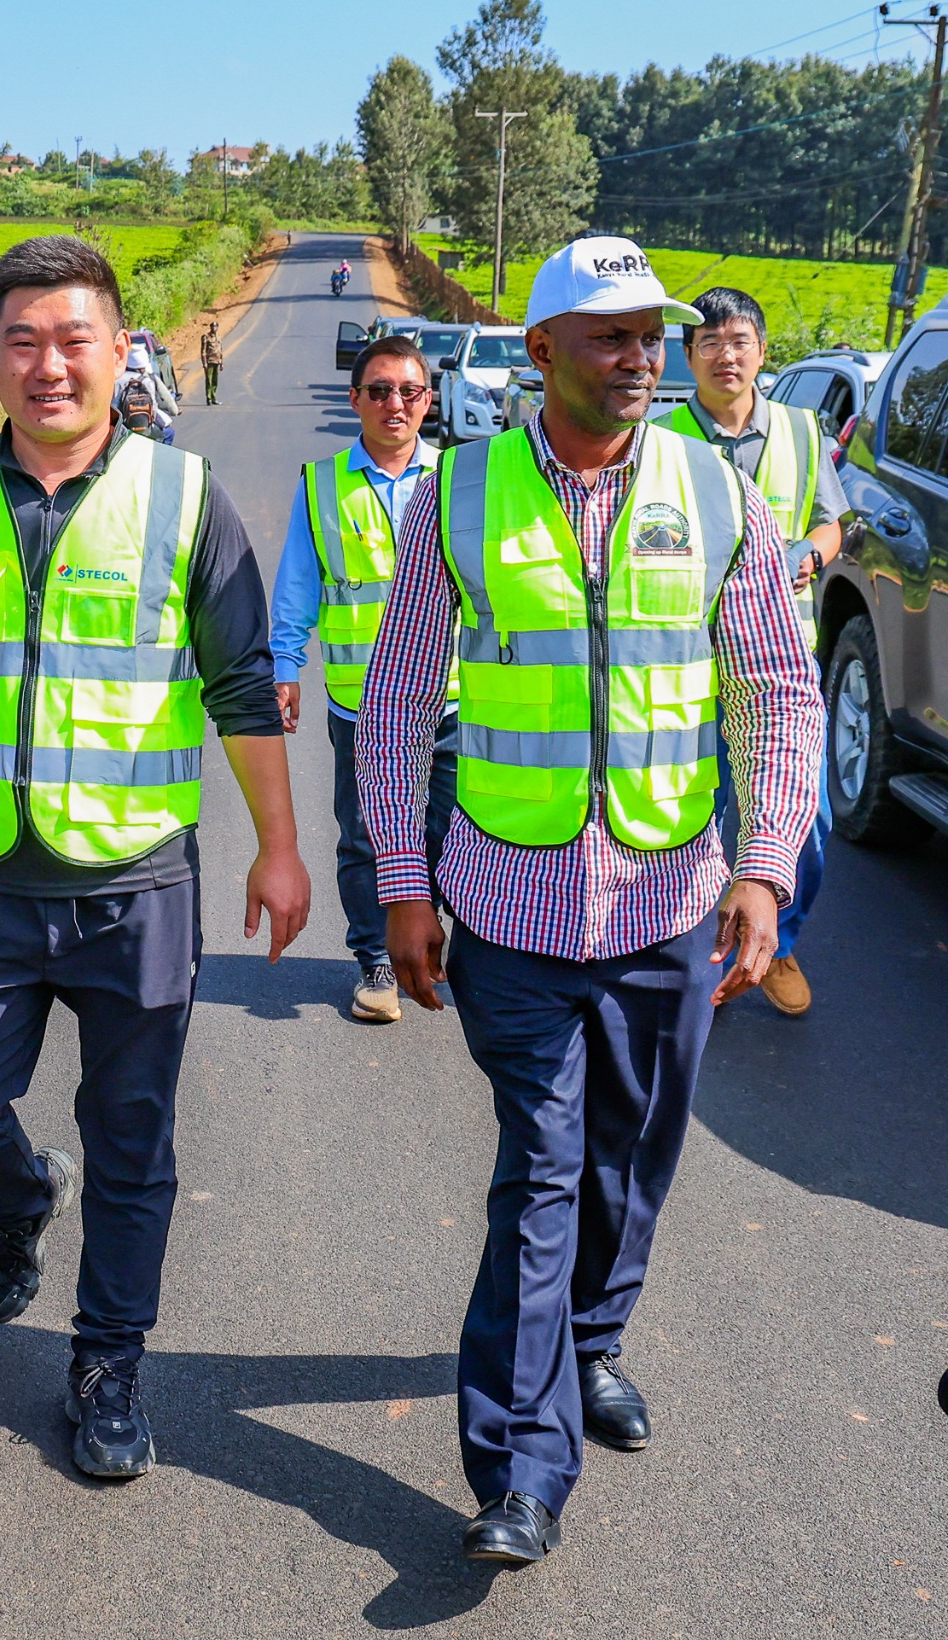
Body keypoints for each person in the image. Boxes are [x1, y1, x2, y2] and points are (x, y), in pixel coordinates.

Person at [359, 236, 820, 1567]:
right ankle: (518, 1468)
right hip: (509, 906)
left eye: (653, 337)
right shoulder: (457, 496)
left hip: (670, 902)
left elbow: (778, 694)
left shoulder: (718, 495)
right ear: (543, 350)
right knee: (544, 1174)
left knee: (634, 1155)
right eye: (612, 337)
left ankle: (595, 1340)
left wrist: (766, 863)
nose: (643, 359)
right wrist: (402, 884)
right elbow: (395, 705)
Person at [0, 233, 310, 1484]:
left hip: (134, 888)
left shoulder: (182, 495)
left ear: (123, 353)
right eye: (23, 339)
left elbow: (236, 684)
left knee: (133, 1144)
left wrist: (278, 847)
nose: (49, 364)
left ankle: (108, 1364)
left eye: (75, 340)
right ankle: (17, 1200)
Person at [270, 334, 458, 1023]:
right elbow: (297, 582)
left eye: (409, 391)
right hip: (362, 705)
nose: (394, 404)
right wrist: (284, 664)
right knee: (366, 836)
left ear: (428, 400)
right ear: (355, 400)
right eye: (379, 390)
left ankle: (427, 937)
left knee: (452, 830)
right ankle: (374, 960)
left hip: (453, 697)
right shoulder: (321, 484)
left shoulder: (462, 478)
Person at [665, 285, 839, 1019]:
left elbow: (835, 524)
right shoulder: (661, 436)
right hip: (682, 663)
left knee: (807, 823)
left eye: (739, 341)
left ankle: (777, 940)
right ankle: (708, 951)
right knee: (698, 816)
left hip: (779, 667)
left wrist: (811, 553)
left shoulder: (803, 432)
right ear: (689, 355)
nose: (726, 355)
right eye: (709, 342)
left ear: (763, 353)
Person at [200, 319, 224, 406]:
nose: (214, 328)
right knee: (209, 380)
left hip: (216, 361)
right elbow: (203, 351)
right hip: (209, 361)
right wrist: (204, 362)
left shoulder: (219, 337)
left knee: (215, 381)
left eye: (216, 326)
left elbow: (220, 350)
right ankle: (208, 398)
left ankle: (214, 397)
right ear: (210, 327)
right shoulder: (206, 337)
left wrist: (221, 363)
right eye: (212, 326)